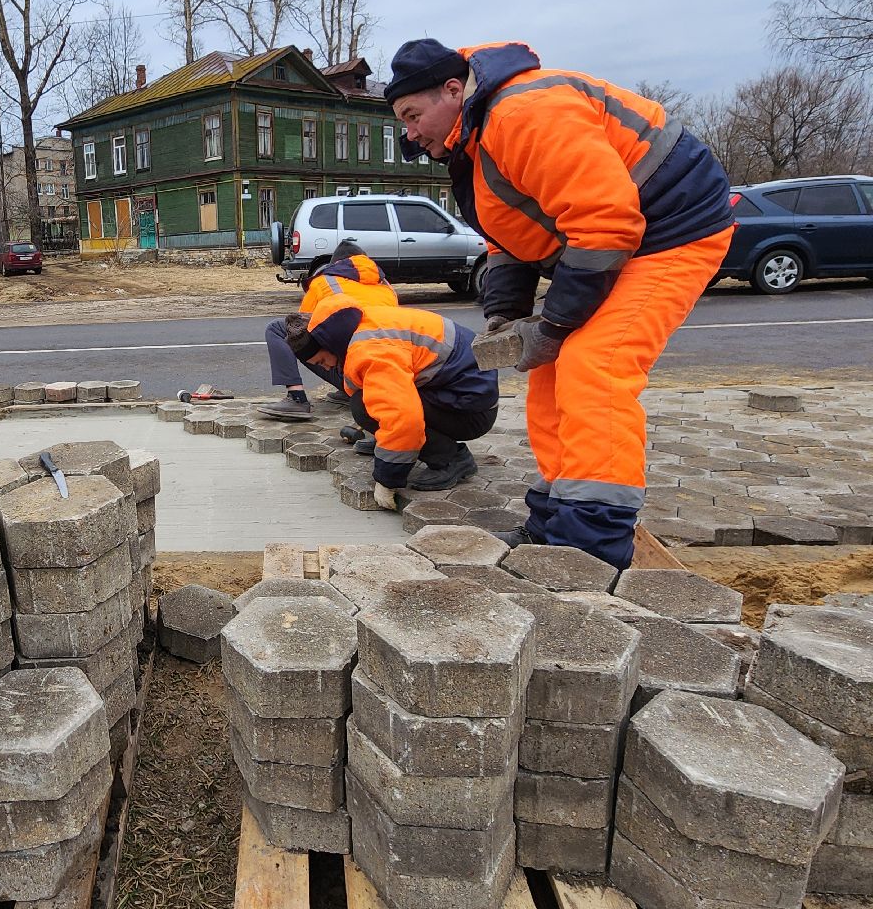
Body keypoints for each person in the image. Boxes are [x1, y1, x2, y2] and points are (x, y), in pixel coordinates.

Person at [385, 38, 733, 567]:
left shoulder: (523, 114)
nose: (409, 133)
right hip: (610, 238)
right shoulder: (476, 143)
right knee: (550, 372)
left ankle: (592, 544)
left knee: (597, 364)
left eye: (412, 115)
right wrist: (506, 313)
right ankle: (554, 520)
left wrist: (557, 321)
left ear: (453, 91)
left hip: (671, 230)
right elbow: (508, 236)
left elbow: (607, 223)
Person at [289, 297, 498, 494]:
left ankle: (452, 459)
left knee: (363, 407)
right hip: (460, 391)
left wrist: (387, 478)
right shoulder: (357, 324)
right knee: (372, 401)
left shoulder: (370, 350)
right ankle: (390, 443)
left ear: (328, 343)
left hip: (473, 411)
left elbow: (403, 418)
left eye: (322, 360)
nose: (327, 367)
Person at [258, 240, 399, 422]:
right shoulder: (387, 287)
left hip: (352, 370)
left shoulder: (325, 282)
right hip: (386, 374)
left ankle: (296, 398)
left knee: (278, 329)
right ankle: (349, 390)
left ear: (336, 264)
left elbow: (301, 331)